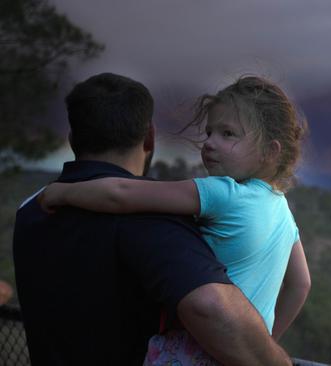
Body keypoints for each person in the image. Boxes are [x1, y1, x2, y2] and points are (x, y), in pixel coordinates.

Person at [13, 72, 292, 366]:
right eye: (210, 133)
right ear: (150, 137)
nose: (210, 143)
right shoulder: (152, 221)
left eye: (227, 134)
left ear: (72, 139)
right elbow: (209, 306)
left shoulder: (31, 210)